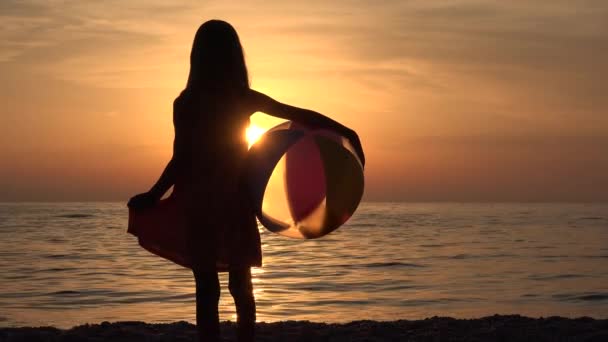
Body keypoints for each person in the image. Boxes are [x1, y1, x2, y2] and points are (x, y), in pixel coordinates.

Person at [127, 20, 364, 342]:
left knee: (206, 287)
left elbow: (180, 158)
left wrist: (154, 194)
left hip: (199, 198)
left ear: (197, 57)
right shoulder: (242, 97)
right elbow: (300, 114)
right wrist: (347, 132)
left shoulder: (186, 101)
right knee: (242, 285)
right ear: (234, 56)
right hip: (233, 198)